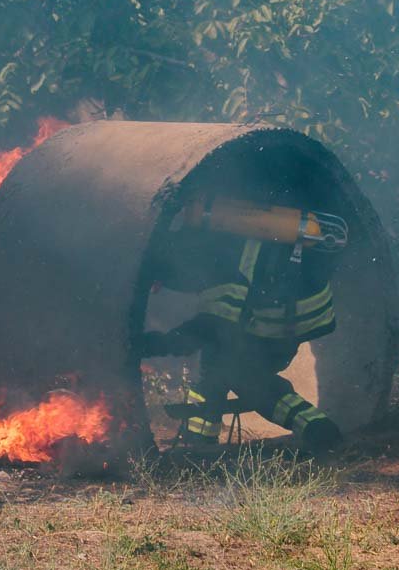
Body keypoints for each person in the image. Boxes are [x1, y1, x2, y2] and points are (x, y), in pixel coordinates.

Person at [141, 177, 345, 452]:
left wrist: (159, 343)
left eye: (159, 281)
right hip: (298, 317)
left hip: (276, 326)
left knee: (244, 377)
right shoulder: (219, 240)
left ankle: (317, 428)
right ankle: (198, 440)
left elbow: (212, 326)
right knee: (216, 363)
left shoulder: (217, 261)